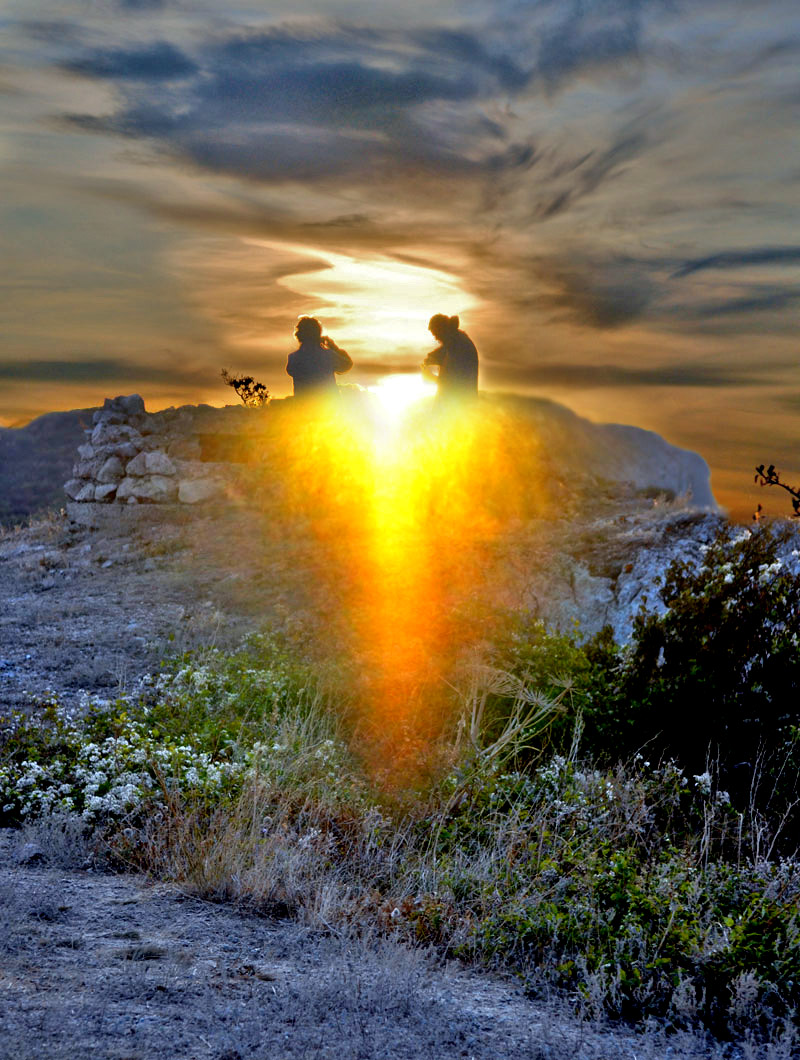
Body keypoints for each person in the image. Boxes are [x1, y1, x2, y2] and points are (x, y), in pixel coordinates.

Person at [287, 316, 353, 397]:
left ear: (298, 335)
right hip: (328, 404)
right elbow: (347, 365)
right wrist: (334, 347)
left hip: (304, 405)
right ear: (318, 334)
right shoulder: (329, 355)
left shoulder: (293, 358)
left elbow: (290, 371)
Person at [422, 314, 479, 399]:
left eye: (436, 334)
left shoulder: (460, 346)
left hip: (458, 403)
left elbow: (454, 382)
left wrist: (431, 377)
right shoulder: (456, 339)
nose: (436, 339)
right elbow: (443, 351)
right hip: (462, 401)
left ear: (442, 330)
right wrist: (433, 357)